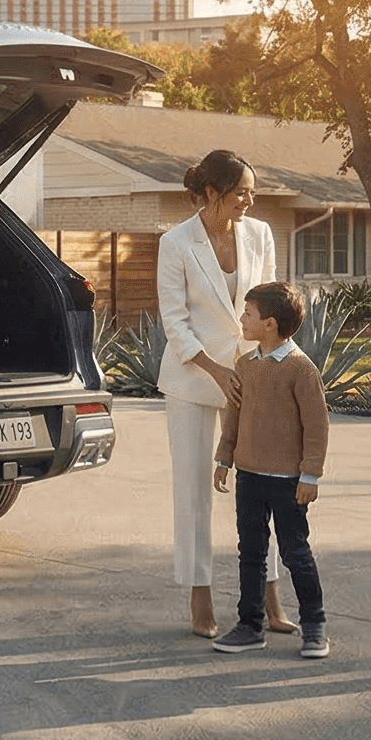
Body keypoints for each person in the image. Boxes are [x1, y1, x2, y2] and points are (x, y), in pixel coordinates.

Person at [156, 149, 284, 639]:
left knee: (262, 488)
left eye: (252, 192)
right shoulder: (176, 242)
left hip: (250, 377)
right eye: (240, 193)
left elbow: (271, 302)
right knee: (193, 493)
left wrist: (267, 367)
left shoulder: (261, 234)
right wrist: (212, 369)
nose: (249, 201)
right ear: (212, 193)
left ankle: (270, 596)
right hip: (192, 378)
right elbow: (175, 320)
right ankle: (199, 597)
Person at [209, 282, 331, 658]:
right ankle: (250, 626)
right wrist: (224, 458)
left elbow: (317, 426)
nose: (242, 320)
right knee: (251, 552)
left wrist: (310, 474)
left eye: (248, 314)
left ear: (270, 324)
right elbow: (234, 415)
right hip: (249, 477)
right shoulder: (244, 365)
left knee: (295, 552)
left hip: (289, 484)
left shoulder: (301, 370)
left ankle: (314, 626)